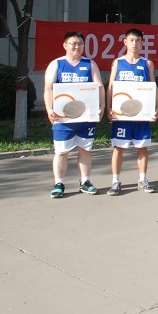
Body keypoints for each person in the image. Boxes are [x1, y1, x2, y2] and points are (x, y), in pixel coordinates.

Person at [43, 31, 105, 198]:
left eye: (80, 44)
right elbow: (48, 88)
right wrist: (49, 109)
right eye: (73, 43)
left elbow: (99, 86)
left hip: (85, 118)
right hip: (63, 119)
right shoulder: (56, 64)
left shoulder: (90, 64)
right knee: (61, 152)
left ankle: (85, 182)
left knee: (85, 150)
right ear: (65, 45)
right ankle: (59, 183)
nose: (77, 47)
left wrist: (102, 106)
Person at [106, 28, 158, 195]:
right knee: (119, 148)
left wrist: (157, 107)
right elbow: (111, 86)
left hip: (141, 115)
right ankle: (115, 181)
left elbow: (153, 86)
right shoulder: (118, 63)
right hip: (122, 116)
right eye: (131, 40)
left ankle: (143, 180)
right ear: (125, 42)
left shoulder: (147, 64)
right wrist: (108, 107)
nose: (134, 43)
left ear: (142, 42)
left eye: (137, 40)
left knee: (142, 147)